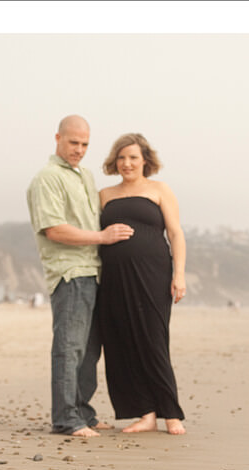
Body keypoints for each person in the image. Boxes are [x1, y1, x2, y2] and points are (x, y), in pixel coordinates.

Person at [26, 115, 135, 437]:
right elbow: (54, 229)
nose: (79, 150)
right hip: (70, 273)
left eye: (85, 144)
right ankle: (66, 418)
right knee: (69, 347)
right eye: (74, 143)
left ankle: (83, 412)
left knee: (89, 350)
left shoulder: (85, 175)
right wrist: (103, 237)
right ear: (58, 138)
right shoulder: (47, 178)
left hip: (95, 272)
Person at [97, 133, 187, 435]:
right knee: (122, 343)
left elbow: (175, 234)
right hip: (113, 278)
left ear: (145, 160)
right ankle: (145, 414)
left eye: (133, 157)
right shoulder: (105, 195)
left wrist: (180, 274)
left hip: (153, 274)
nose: (127, 163)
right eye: (121, 158)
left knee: (153, 340)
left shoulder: (159, 189)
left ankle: (170, 412)